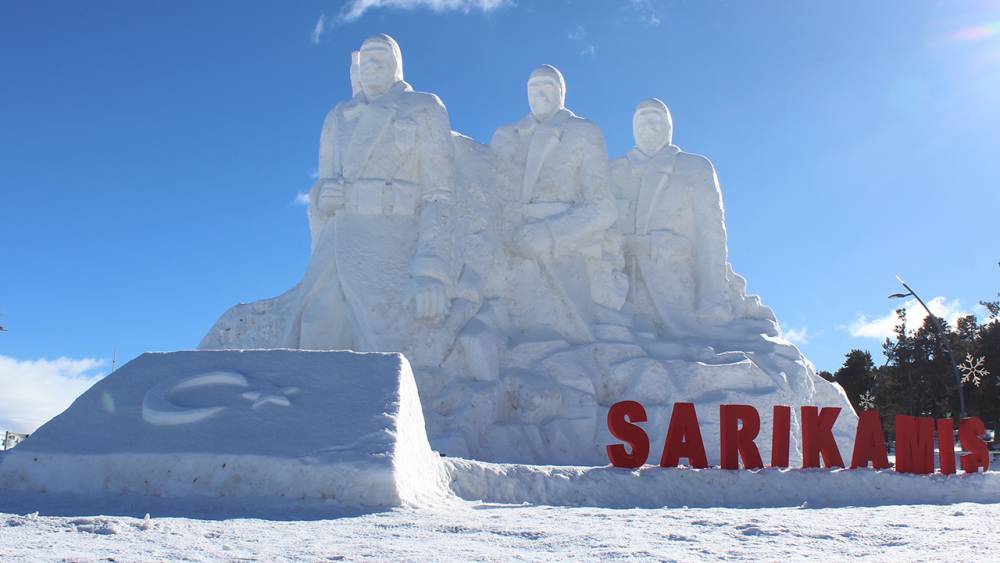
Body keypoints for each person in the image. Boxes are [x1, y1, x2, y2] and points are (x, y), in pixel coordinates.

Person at [488, 65, 619, 345]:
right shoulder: (507, 135)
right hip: (508, 254)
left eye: (548, 86)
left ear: (562, 93)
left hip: (562, 253)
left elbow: (603, 207)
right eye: (534, 87)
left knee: (561, 347)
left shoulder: (582, 131)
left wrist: (549, 233)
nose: (540, 94)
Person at [610, 98, 738, 337]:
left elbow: (711, 235)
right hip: (621, 297)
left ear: (669, 126)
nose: (648, 124)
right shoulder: (612, 171)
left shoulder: (694, 167)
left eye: (655, 117)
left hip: (676, 292)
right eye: (642, 118)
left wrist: (713, 299)